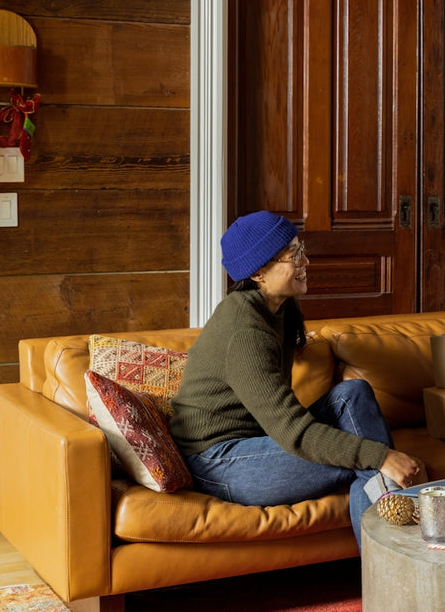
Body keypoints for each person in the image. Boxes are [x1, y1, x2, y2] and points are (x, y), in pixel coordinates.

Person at [170, 210, 423, 548]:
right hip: (218, 462)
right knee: (369, 463)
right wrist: (382, 456)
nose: (306, 262)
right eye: (293, 255)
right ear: (258, 272)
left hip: (256, 441)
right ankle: (391, 569)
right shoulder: (244, 330)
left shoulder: (280, 309)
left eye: (301, 249)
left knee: (354, 392)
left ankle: (391, 558)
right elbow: (293, 431)